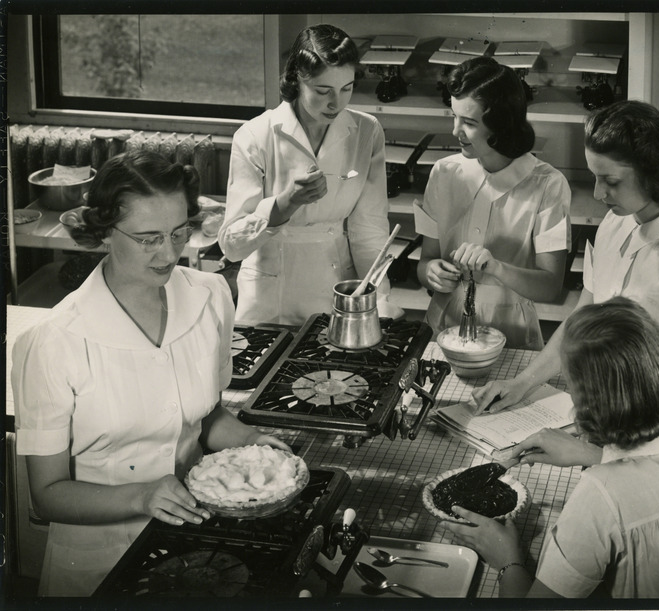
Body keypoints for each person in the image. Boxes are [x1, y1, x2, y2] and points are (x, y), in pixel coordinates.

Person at [11, 151, 291, 597]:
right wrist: (140, 496)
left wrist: (252, 445)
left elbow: (207, 418)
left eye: (179, 231)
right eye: (148, 238)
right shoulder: (52, 342)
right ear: (104, 232)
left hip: (195, 543)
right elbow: (46, 494)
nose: (169, 252)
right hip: (95, 563)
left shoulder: (210, 297)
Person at [474, 100, 659, 480]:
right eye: (595, 177)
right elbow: (584, 317)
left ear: (653, 174)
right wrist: (523, 383)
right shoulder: (615, 226)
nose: (598, 194)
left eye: (610, 181)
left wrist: (648, 468)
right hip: (617, 424)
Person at [443, 298, 659, 598]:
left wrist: (507, 559)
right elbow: (656, 480)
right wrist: (594, 455)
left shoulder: (598, 498)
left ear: (590, 406)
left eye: (569, 385)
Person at [219, 24, 392, 326]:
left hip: (336, 288)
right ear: (297, 79)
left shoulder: (366, 131)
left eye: (346, 89)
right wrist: (284, 204)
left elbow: (370, 229)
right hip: (269, 298)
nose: (336, 103)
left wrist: (379, 299)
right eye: (323, 91)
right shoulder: (255, 135)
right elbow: (232, 247)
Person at [414, 56, 570, 349]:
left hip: (511, 333)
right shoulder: (444, 173)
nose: (455, 131)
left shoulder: (547, 184)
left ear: (501, 124)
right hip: (442, 327)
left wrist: (497, 268)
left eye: (469, 122)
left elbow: (550, 287)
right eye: (454, 117)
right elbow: (425, 262)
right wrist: (431, 271)